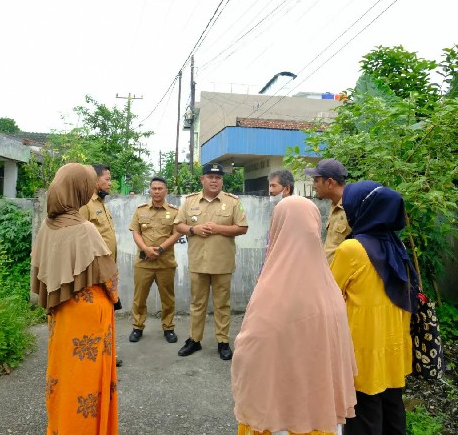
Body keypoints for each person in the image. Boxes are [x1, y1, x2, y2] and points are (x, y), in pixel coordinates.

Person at [231, 196, 357, 435]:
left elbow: (252, 348)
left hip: (277, 416)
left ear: (276, 225)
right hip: (320, 416)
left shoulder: (271, 286)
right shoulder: (328, 287)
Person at [31, 163, 119, 435]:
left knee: (63, 375)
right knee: (88, 381)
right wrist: (114, 298)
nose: (92, 188)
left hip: (61, 315)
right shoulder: (85, 229)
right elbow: (109, 278)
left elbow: (41, 274)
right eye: (89, 184)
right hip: (89, 316)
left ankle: (62, 427)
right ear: (79, 188)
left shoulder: (47, 227)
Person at [330, 181, 419, 435]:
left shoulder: (352, 249)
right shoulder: (396, 245)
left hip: (363, 351)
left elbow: (330, 295)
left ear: (362, 209)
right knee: (393, 412)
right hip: (392, 348)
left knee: (364, 418)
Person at [174, 162, 248, 360]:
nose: (214, 181)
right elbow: (178, 224)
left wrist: (217, 228)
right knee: (197, 303)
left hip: (222, 264)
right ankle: (194, 340)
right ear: (202, 179)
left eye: (218, 177)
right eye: (210, 177)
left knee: (222, 304)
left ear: (222, 180)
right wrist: (193, 230)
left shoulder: (233, 202)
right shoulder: (190, 202)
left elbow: (242, 227)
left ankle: (223, 341)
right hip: (198, 262)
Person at [128, 176, 181, 343]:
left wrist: (161, 248)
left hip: (165, 262)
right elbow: (136, 232)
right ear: (150, 190)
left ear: (166, 191)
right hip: (144, 263)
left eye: (160, 188)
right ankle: (137, 327)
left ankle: (169, 328)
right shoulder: (140, 210)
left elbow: (177, 233)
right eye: (154, 188)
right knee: (139, 297)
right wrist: (146, 249)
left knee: (168, 297)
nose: (157, 191)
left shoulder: (174, 212)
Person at [79, 164, 122, 366]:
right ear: (95, 181)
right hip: (95, 274)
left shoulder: (101, 203)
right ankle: (98, 357)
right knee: (97, 317)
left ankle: (107, 355)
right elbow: (79, 240)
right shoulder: (86, 205)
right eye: (107, 179)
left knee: (107, 316)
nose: (110, 183)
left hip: (107, 272)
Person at [304, 158, 351, 264]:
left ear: (329, 182)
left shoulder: (351, 207)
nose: (314, 186)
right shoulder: (334, 205)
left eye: (316, 181)